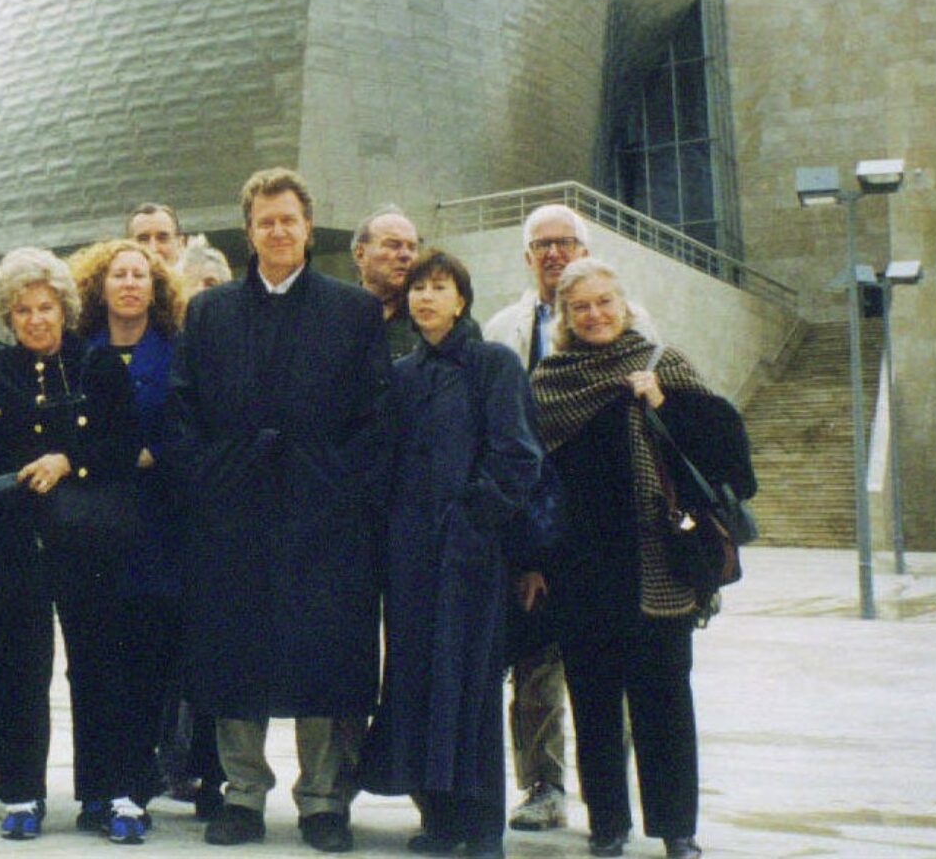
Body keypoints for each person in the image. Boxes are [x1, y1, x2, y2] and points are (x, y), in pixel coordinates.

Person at [167, 167, 392, 853]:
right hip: (233, 517)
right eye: (265, 221)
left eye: (289, 219)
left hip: (324, 520)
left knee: (323, 659)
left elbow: (376, 418)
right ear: (249, 231)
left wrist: (336, 488)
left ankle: (323, 799)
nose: (278, 231)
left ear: (307, 225)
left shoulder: (352, 310)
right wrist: (213, 480)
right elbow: (184, 412)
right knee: (236, 659)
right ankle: (242, 795)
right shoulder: (210, 312)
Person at [529, 257, 750, 859]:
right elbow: (536, 477)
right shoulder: (550, 380)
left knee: (666, 703)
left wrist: (665, 405)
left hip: (659, 561)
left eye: (605, 302)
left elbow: (731, 456)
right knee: (594, 702)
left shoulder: (661, 364)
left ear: (623, 305)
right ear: (565, 317)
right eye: (581, 307)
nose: (595, 314)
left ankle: (677, 829)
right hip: (583, 569)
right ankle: (607, 826)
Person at [0, 247, 142, 842]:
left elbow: (125, 446)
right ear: (9, 316)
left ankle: (108, 794)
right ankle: (23, 792)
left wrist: (69, 461)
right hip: (17, 542)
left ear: (65, 307)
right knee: (21, 667)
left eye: (47, 307)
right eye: (24, 310)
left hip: (91, 541)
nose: (36, 319)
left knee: (101, 664)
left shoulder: (100, 365)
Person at [362, 250, 544, 859]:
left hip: (470, 555)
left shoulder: (492, 365)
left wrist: (470, 521)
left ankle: (483, 823)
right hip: (409, 557)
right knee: (415, 681)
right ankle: (438, 815)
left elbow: (519, 456)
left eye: (439, 287)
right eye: (417, 288)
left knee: (469, 685)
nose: (425, 298)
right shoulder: (404, 371)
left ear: (461, 300)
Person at [482, 203, 656, 835]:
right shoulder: (504, 326)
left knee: (608, 673)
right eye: (542, 245)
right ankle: (542, 784)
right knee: (533, 665)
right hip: (531, 522)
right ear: (528, 257)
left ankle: (609, 797)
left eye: (566, 243)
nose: (554, 253)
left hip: (606, 531)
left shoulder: (630, 324)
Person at [70, 238, 206, 830]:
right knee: (93, 665)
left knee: (148, 662)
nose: (129, 283)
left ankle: (134, 781)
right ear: (100, 287)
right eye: (119, 274)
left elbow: (191, 428)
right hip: (93, 530)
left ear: (157, 288)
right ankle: (94, 787)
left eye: (141, 275)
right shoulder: (79, 352)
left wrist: (149, 456)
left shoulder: (175, 352)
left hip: (158, 530)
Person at [351, 205, 421, 360]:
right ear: (360, 254)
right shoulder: (333, 316)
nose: (405, 255)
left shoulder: (431, 320)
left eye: (412, 247)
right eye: (393, 245)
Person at [127, 203, 187, 270]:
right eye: (143, 239)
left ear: (180, 243)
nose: (153, 249)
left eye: (162, 238)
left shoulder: (196, 279)